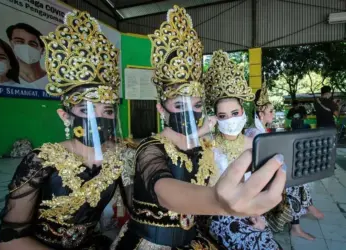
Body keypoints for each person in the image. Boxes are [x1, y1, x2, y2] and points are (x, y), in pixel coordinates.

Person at [111, 6, 286, 249]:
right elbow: (164, 190)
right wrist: (219, 201)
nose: (191, 113)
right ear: (162, 110)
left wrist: (246, 209)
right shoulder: (150, 148)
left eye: (197, 105)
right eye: (179, 105)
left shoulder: (202, 147)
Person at [0, 10, 134, 250]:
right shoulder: (42, 161)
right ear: (65, 116)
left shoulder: (116, 158)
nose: (99, 120)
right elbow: (10, 240)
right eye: (87, 111)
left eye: (108, 112)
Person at [203, 50, 282, 250]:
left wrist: (256, 212)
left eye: (234, 113)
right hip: (217, 212)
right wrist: (202, 130)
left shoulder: (253, 143)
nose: (230, 120)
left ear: (243, 113)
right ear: (215, 118)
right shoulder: (206, 143)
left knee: (265, 242)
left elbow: (261, 185)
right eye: (222, 116)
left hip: (251, 210)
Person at [245, 83, 324, 241]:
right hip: (256, 175)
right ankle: (303, 215)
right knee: (293, 183)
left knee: (295, 177)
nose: (273, 114)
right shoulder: (254, 133)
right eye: (271, 111)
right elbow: (258, 162)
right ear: (261, 114)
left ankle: (301, 217)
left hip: (264, 172)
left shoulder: (260, 129)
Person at [6, 23, 47, 89]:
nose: (26, 47)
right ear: (11, 44)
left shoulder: (54, 80)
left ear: (42, 50)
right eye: (19, 41)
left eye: (32, 44)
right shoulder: (6, 79)